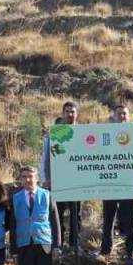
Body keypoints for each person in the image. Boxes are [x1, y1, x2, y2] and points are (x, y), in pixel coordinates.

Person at [41, 101, 84, 256]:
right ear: (63, 113)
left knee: (76, 214)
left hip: (77, 182)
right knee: (57, 214)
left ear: (77, 114)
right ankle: (57, 245)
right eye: (67, 111)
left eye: (73, 111)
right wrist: (45, 178)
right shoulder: (54, 134)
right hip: (57, 182)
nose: (70, 114)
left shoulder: (82, 133)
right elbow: (45, 158)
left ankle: (75, 244)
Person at [100, 104, 133, 264]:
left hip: (130, 185)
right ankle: (105, 251)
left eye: (125, 114)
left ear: (128, 117)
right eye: (119, 114)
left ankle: (131, 253)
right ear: (113, 116)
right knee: (108, 219)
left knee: (131, 221)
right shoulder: (105, 135)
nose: (122, 116)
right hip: (110, 184)